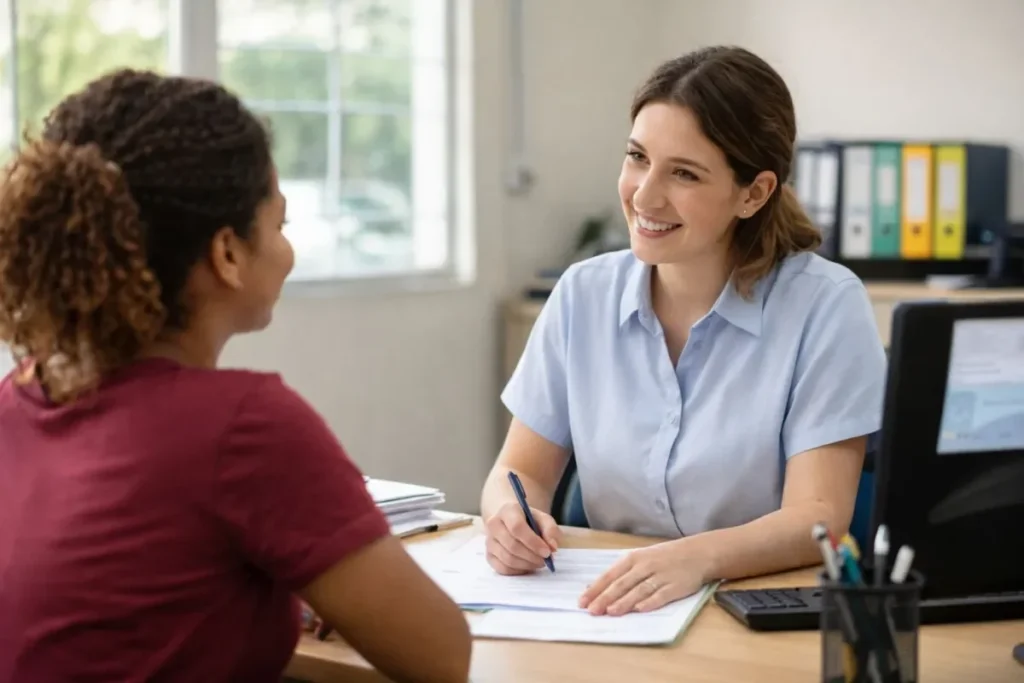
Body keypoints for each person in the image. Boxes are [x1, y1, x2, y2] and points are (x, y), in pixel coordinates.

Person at [0, 70, 470, 683]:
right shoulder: (245, 427)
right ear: (226, 254)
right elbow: (441, 658)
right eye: (280, 224)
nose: (287, 249)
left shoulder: (20, 395)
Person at [481, 46, 887, 617]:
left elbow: (816, 518)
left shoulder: (825, 305)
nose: (644, 195)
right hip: (609, 611)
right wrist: (508, 517)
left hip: (756, 615)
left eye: (684, 173)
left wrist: (693, 559)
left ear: (754, 193)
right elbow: (518, 471)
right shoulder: (582, 294)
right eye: (637, 157)